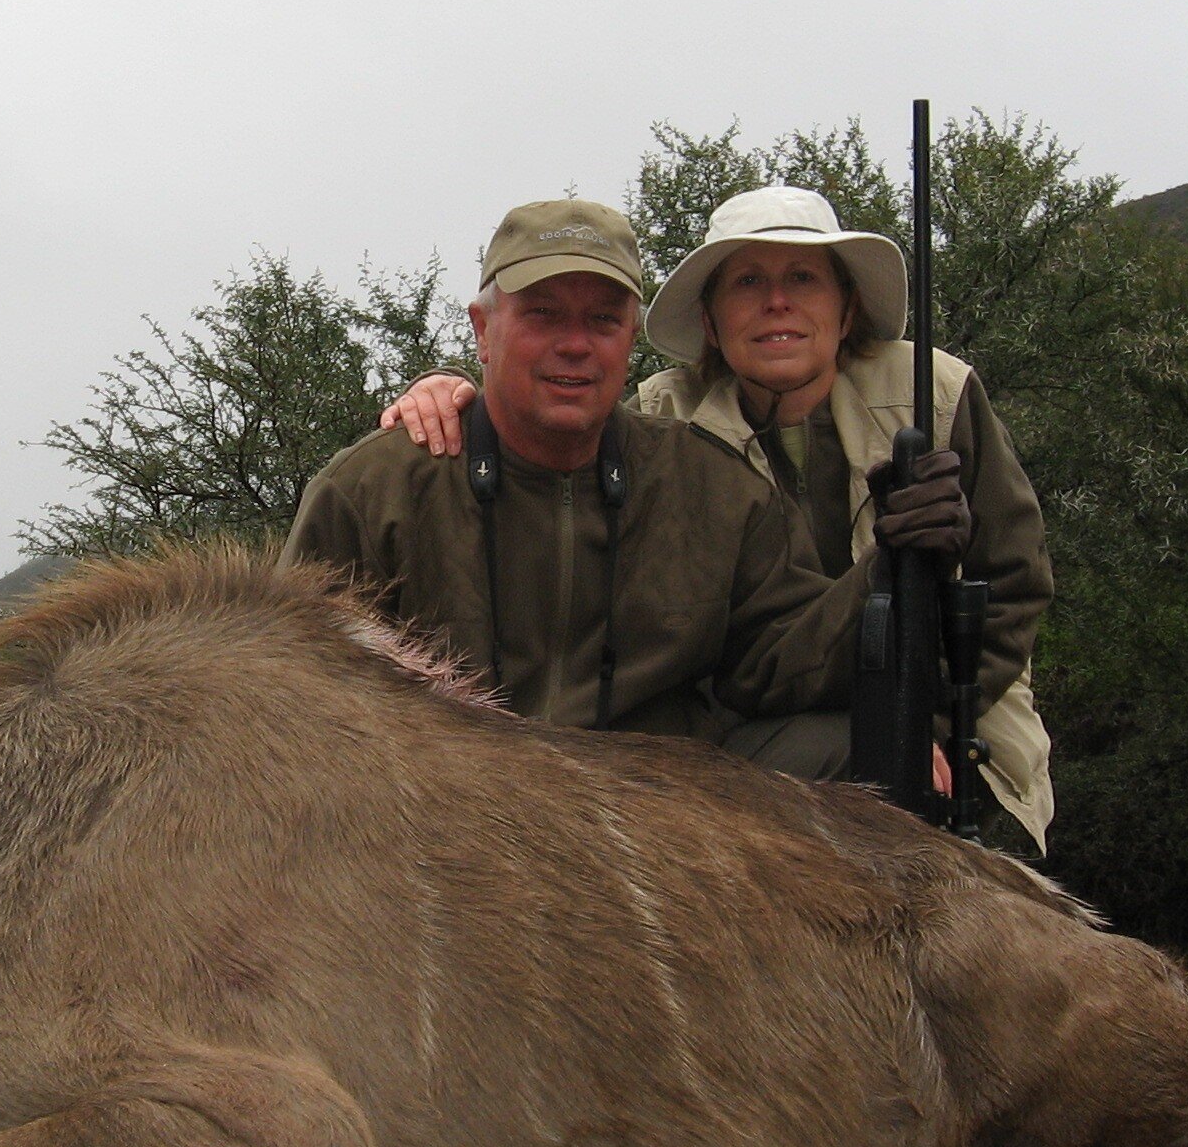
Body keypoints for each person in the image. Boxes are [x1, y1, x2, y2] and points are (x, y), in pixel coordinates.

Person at [381, 185, 1054, 849]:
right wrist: (450, 389)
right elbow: (544, 414)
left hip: (952, 717)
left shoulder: (935, 394)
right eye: (748, 281)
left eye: (803, 278)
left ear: (846, 309)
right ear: (710, 320)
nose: (777, 301)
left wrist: (920, 720)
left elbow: (1012, 584)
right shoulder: (660, 418)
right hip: (754, 733)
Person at [281, 198, 971, 752]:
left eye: (603, 320)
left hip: (653, 830)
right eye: (543, 314)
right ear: (482, 330)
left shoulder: (713, 487)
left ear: (630, 337)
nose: (575, 344)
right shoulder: (375, 489)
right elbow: (290, 690)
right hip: (441, 833)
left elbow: (778, 662)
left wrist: (891, 570)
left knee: (843, 742)